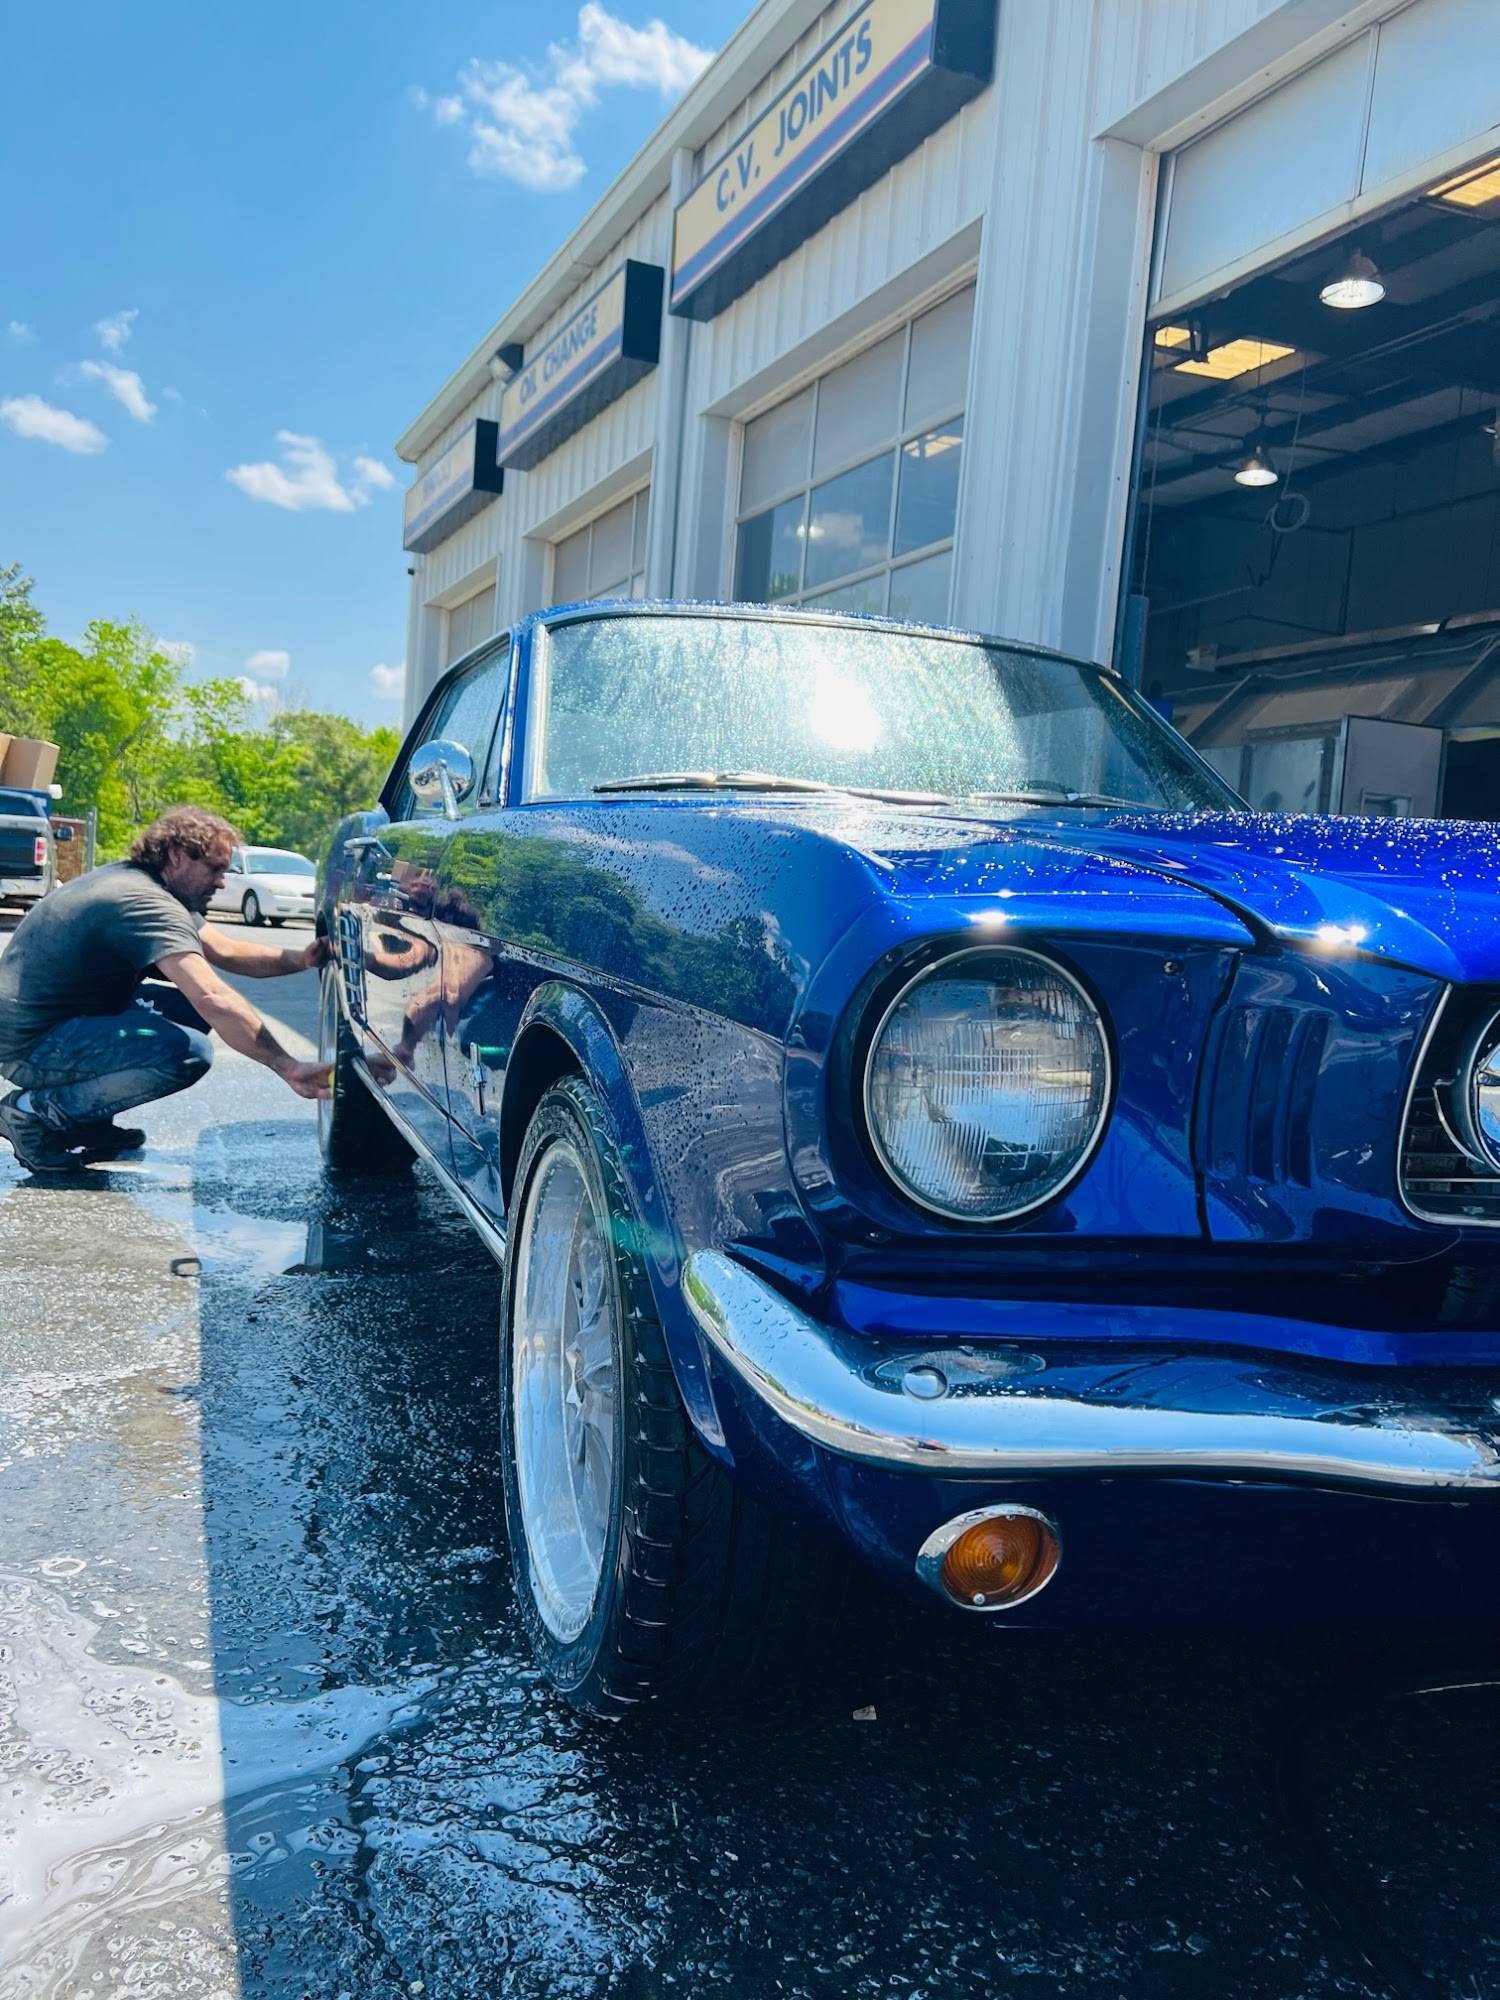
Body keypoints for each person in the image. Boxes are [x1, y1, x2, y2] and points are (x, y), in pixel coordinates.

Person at [0, 804, 331, 1174]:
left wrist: (301, 959)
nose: (222, 882)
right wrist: (288, 1066)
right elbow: (212, 996)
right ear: (176, 856)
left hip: (48, 1022)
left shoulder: (142, 884)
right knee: (187, 1052)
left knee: (183, 1012)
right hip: (31, 1045)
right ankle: (34, 1113)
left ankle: (86, 1121)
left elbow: (226, 951)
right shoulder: (146, 904)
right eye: (215, 869)